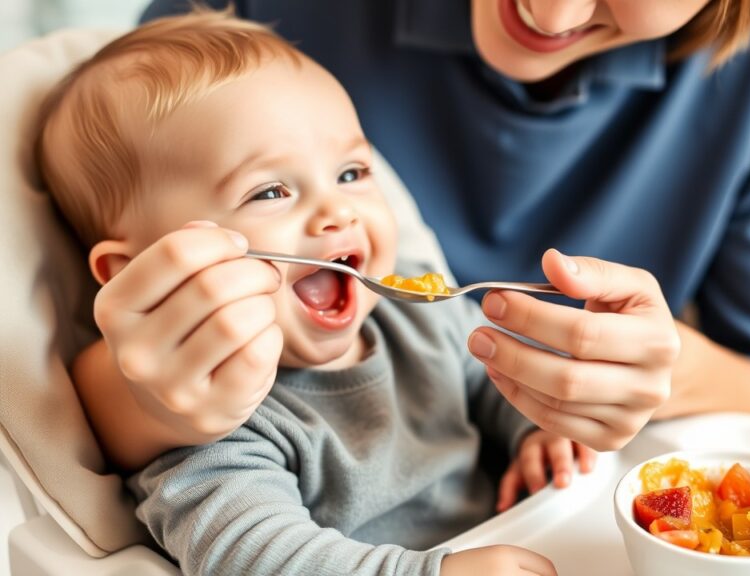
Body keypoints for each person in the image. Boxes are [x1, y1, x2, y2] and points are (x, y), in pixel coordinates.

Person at [128, 0, 750, 450]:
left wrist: (669, 378)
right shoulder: (193, 56)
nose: (551, 13)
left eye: (356, 173)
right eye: (275, 190)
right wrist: (149, 406)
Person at [37, 10, 603, 574]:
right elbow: (256, 557)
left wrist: (537, 431)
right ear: (139, 270)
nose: (337, 211)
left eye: (352, 173)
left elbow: (493, 385)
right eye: (270, 191)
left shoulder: (421, 317)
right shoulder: (214, 421)